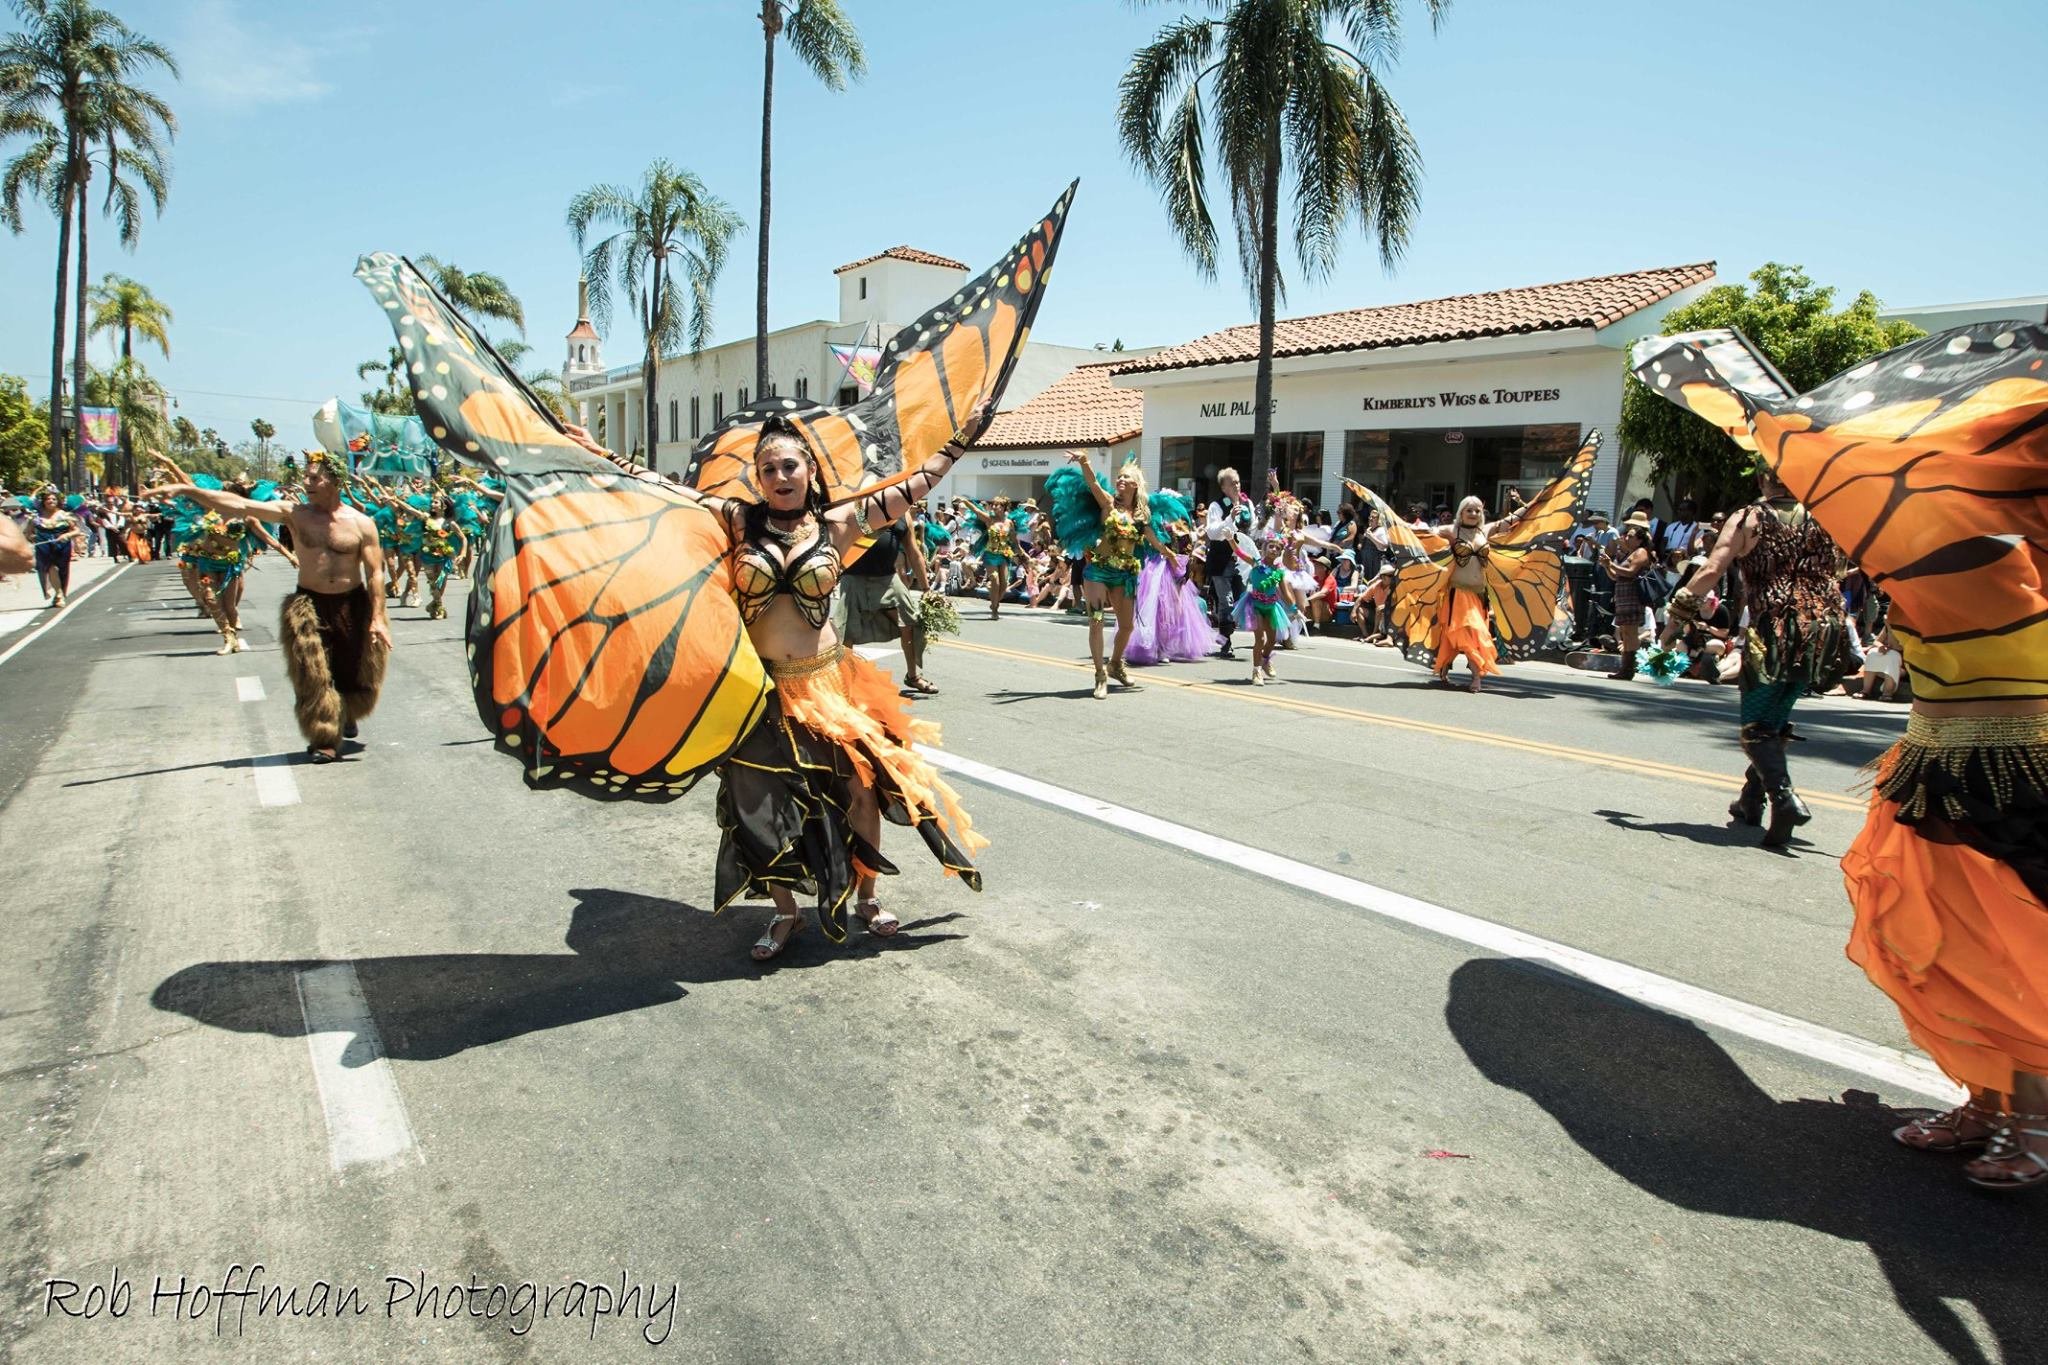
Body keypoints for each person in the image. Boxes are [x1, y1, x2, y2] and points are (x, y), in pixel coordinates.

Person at [1636, 320, 2048, 1191]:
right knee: (1937, 935)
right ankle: (1985, 1092)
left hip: (2017, 760)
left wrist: (1693, 598)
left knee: (2015, 939)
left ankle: (2034, 1111)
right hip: (1929, 751)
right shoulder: (1869, 517)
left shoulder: (2011, 527)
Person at [148, 450, 392, 763]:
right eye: (306, 476)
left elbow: (375, 573)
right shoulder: (294, 513)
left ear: (335, 481)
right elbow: (239, 504)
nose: (306, 483)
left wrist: (379, 618)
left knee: (350, 670)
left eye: (314, 477)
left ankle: (345, 712)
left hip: (352, 604)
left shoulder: (361, 524)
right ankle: (324, 738)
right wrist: (188, 490)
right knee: (312, 673)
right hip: (308, 604)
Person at [1657, 468, 1851, 846]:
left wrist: (1675, 621)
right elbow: (1842, 569)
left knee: (1755, 727)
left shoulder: (1750, 517)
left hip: (1776, 629)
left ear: (1764, 480)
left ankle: (1785, 798)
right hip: (1822, 630)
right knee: (1774, 720)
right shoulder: (1824, 516)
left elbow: (1713, 569)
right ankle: (1752, 801)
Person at [1046, 451, 1172, 698]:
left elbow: (1155, 542)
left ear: (1135, 484)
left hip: (1124, 576)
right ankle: (1099, 675)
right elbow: (1092, 483)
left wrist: (1171, 556)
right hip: (1098, 572)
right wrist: (1085, 461)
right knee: (1097, 621)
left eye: (1126, 477)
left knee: (1126, 626)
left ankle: (1115, 664)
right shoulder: (1108, 504)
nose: (1120, 480)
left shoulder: (1140, 516)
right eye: (1119, 477)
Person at [836, 512, 940, 696]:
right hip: (853, 577)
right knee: (846, 631)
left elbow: (914, 553)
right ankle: (846, 681)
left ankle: (913, 676)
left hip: (887, 578)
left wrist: (926, 589)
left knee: (910, 623)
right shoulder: (857, 506)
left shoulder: (904, 514)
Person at [1125, 506, 1221, 665]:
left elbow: (1186, 548)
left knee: (1172, 609)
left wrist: (1184, 567)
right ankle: (1152, 645)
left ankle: (1164, 646)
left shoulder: (1180, 526)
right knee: (1154, 608)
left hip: (1172, 567)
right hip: (1153, 568)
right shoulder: (1150, 522)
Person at [1203, 468, 1255, 659]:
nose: (1236, 485)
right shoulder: (1217, 506)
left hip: (1242, 561)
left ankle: (1224, 634)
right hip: (1221, 559)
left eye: (1238, 482)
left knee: (1240, 599)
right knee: (1227, 601)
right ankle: (1226, 642)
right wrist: (1230, 517)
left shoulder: (1246, 504)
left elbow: (1255, 529)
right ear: (1223, 486)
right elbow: (1212, 533)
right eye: (1232, 483)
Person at [1600, 515, 1655, 679]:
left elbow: (1631, 572)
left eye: (1630, 536)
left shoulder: (1641, 552)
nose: (1626, 538)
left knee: (1630, 632)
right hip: (1623, 596)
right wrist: (1607, 567)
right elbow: (1616, 576)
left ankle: (1628, 668)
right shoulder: (1629, 553)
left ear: (1639, 540)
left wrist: (1612, 565)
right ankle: (1626, 667)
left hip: (1632, 596)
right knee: (1625, 631)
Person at [1235, 536, 1293, 685]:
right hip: (1255, 605)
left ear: (1280, 552)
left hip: (1271, 607)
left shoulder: (1278, 572)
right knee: (1260, 639)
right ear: (1265, 547)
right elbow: (1239, 552)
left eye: (1278, 548)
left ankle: (1265, 660)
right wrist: (1230, 539)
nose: (1274, 550)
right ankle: (1256, 671)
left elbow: (1285, 593)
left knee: (1272, 640)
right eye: (1271, 546)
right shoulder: (1256, 562)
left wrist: (1295, 609)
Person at [962, 494, 1028, 619]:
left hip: (1004, 555)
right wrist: (965, 501)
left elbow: (1014, 541)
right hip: (990, 554)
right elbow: (976, 510)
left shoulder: (1009, 523)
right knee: (994, 579)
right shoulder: (989, 519)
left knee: (1003, 585)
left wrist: (1023, 553)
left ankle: (994, 604)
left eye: (998, 505)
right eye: (993, 505)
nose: (994, 507)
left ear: (1004, 508)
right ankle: (994, 610)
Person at [28, 489, 84, 607]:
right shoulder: (36, 517)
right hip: (44, 545)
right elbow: (28, 533)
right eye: (48, 499)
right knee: (50, 567)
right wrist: (33, 537)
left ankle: (61, 592)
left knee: (63, 570)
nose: (51, 501)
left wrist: (66, 535)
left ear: (58, 501)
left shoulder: (65, 515)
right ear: (43, 501)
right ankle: (58, 595)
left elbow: (77, 530)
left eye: (53, 499)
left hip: (62, 545)